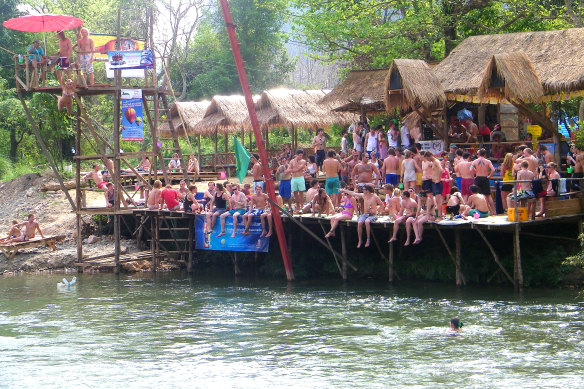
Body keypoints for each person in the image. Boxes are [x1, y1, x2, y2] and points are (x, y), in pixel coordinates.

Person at [470, 148, 496, 215]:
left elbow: (470, 169)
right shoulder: (488, 161)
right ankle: (493, 211)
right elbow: (493, 170)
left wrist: (474, 176)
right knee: (488, 195)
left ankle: (476, 209)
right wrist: (489, 176)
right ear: (485, 154)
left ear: (479, 154)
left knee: (476, 194)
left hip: (478, 178)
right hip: (485, 177)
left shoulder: (474, 161)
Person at [423, 151, 444, 217]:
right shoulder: (432, 163)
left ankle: (440, 216)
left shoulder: (436, 161)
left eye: (427, 158)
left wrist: (439, 179)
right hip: (434, 181)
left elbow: (441, 170)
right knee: (436, 200)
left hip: (437, 182)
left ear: (429, 156)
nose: (428, 160)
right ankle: (438, 215)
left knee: (438, 201)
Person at [287, 149, 307, 213]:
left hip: (300, 177)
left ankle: (302, 206)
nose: (301, 157)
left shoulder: (303, 161)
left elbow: (299, 168)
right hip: (294, 178)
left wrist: (294, 169)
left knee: (301, 193)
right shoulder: (292, 161)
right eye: (300, 155)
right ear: (297, 155)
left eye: (302, 155)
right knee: (295, 193)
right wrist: (294, 169)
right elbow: (289, 169)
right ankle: (298, 206)